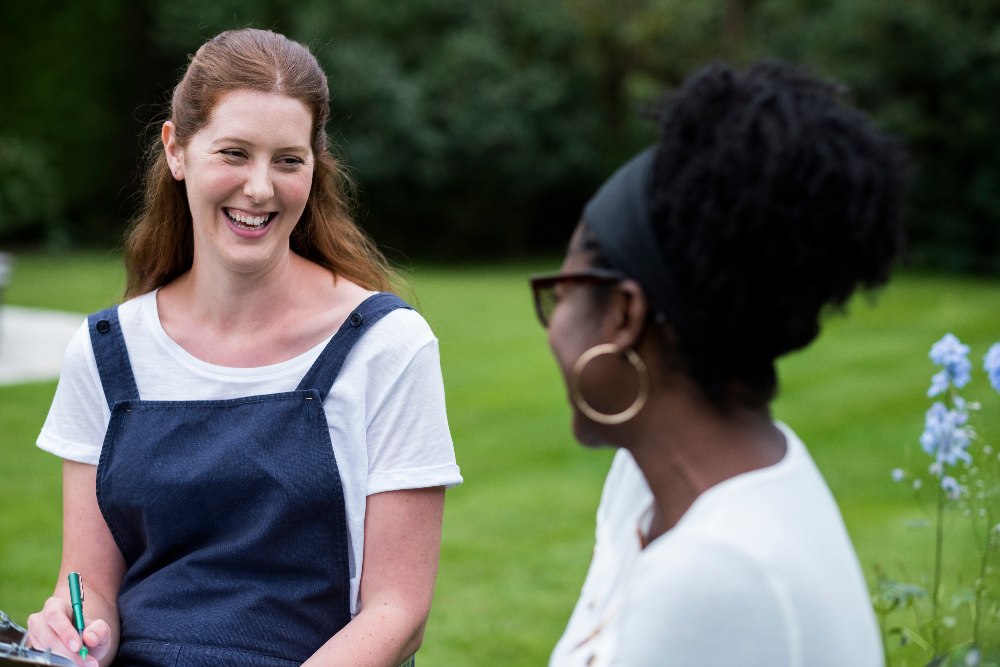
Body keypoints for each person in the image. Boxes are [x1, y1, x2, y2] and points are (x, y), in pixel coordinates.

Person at [27, 28, 461, 667]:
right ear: (177, 150)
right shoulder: (105, 352)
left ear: (316, 169)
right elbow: (89, 585)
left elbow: (397, 614)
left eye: (288, 160)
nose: (260, 188)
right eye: (234, 153)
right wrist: (81, 630)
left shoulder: (386, 347)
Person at [533, 62, 908, 666]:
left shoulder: (715, 576)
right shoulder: (655, 488)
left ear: (624, 316)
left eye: (562, 292)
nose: (551, 326)